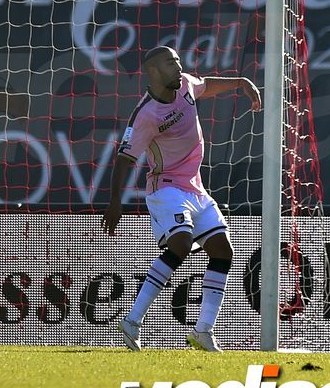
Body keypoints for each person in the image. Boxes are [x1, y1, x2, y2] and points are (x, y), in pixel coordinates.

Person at [102, 46, 261, 352]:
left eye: (177, 61)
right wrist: (115, 201)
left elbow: (206, 84)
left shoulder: (185, 84)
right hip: (166, 188)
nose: (177, 67)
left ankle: (203, 331)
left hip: (194, 187)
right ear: (153, 71)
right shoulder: (146, 114)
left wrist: (241, 82)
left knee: (222, 250)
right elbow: (125, 159)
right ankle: (132, 321)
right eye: (169, 63)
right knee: (181, 242)